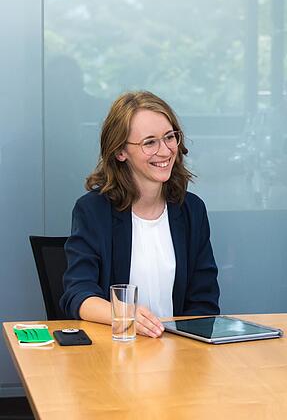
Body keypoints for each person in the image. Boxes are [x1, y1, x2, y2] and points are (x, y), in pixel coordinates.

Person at [60, 90, 220, 337]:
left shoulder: (191, 210)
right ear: (120, 151)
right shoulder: (93, 211)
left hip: (181, 352)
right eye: (149, 142)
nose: (165, 151)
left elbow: (204, 302)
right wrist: (126, 314)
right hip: (117, 351)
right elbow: (79, 295)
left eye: (169, 137)